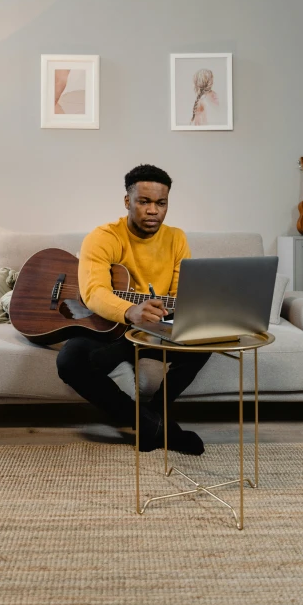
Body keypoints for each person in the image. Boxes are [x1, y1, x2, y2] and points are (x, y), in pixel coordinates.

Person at [56, 164, 210, 454]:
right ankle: (157, 428)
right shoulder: (103, 237)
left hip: (155, 325)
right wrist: (129, 311)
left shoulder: (176, 238)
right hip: (110, 328)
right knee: (70, 361)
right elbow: (93, 292)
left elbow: (180, 294)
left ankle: (153, 417)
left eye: (161, 203)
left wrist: (190, 308)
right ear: (128, 201)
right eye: (144, 202)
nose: (153, 210)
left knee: (206, 338)